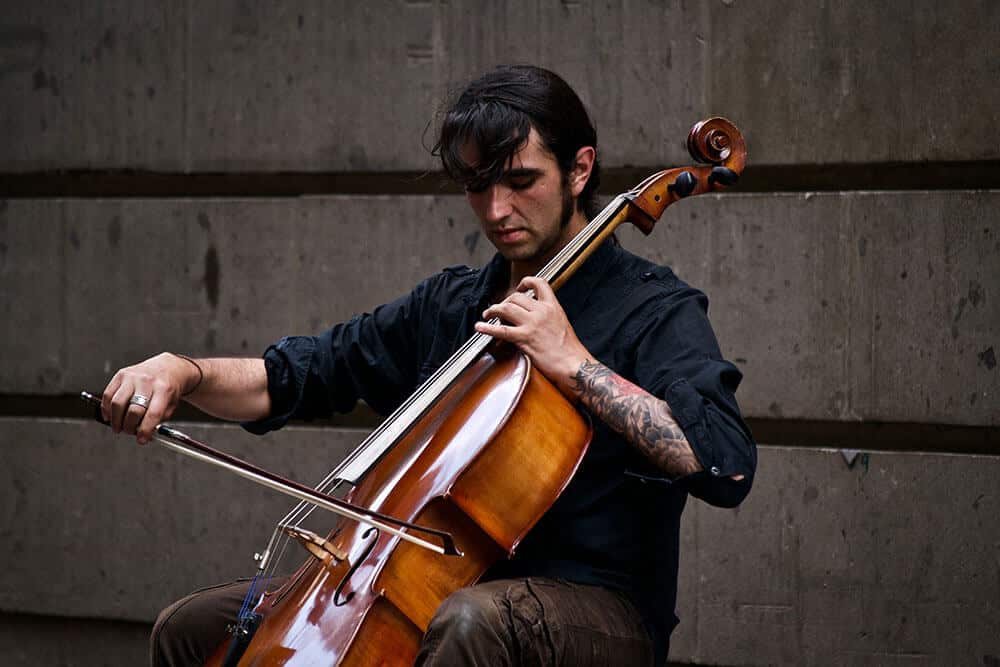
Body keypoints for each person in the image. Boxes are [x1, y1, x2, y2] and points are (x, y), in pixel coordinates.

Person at [101, 65, 756, 666]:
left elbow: (724, 461)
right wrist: (183, 372)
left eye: (521, 181)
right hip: (429, 579)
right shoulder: (453, 305)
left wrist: (574, 363)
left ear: (579, 170)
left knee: (470, 621)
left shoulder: (652, 307)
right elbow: (296, 376)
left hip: (600, 607)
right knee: (191, 630)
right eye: (478, 185)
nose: (497, 210)